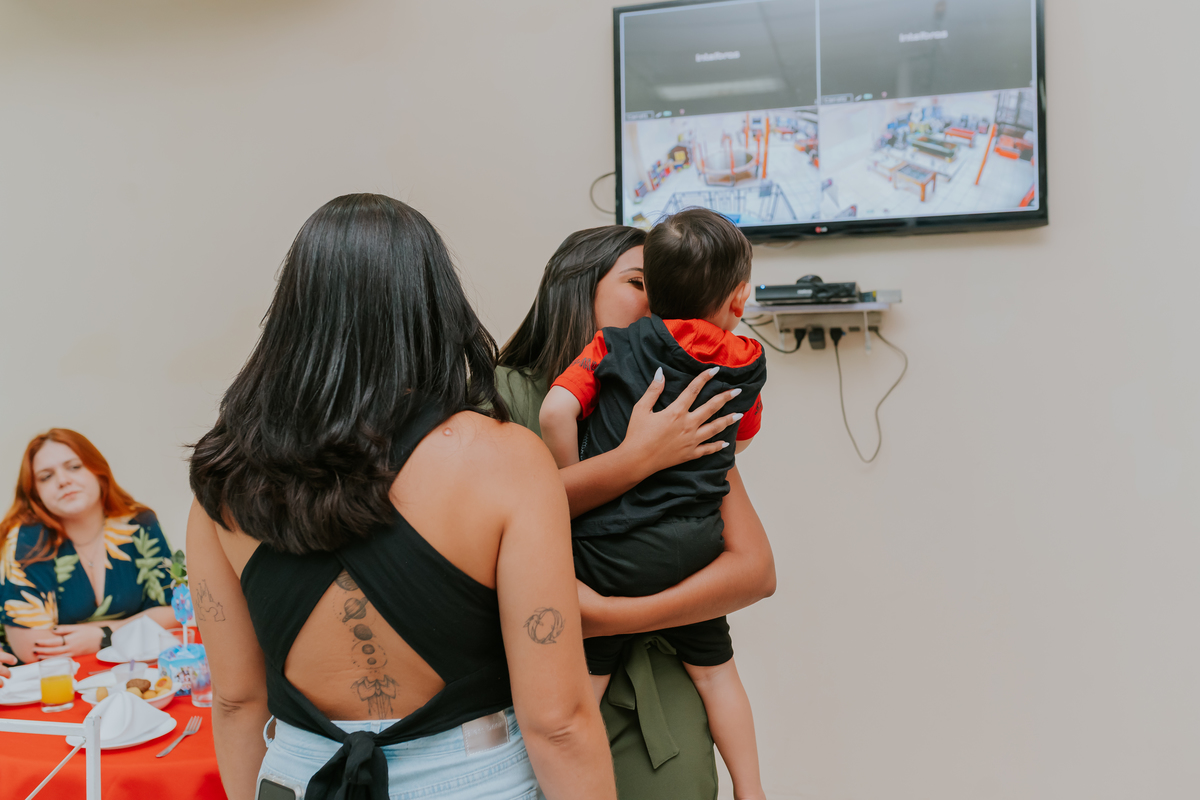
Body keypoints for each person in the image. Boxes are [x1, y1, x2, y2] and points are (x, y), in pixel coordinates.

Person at [186, 193, 614, 800]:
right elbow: (559, 722)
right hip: (472, 781)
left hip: (296, 778)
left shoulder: (225, 474)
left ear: (292, 313)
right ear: (434, 306)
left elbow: (235, 701)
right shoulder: (507, 459)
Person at [497, 224, 776, 800]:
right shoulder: (500, 398)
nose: (660, 301)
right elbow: (482, 535)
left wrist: (614, 615)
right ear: (578, 287)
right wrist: (632, 461)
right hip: (537, 675)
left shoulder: (678, 398)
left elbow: (755, 571)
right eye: (640, 283)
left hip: (660, 678)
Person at [0, 429, 178, 664]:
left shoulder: (139, 524)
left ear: (98, 471)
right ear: (36, 493)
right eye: (46, 477)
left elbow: (175, 611)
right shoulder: (28, 541)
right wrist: (135, 628)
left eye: (74, 467)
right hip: (55, 678)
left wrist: (104, 635)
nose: (63, 481)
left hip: (135, 669)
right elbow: (35, 649)